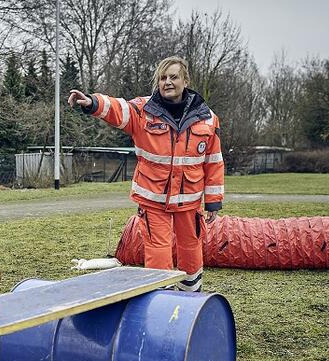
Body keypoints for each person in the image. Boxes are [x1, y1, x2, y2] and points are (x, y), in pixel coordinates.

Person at [68, 56, 224, 292]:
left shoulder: (208, 119)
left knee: (191, 248)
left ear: (185, 80)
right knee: (158, 251)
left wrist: (213, 202)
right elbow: (118, 109)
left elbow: (214, 162)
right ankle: (160, 303)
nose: (167, 82)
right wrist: (92, 102)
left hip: (189, 201)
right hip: (153, 199)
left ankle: (191, 300)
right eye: (163, 78)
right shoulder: (143, 111)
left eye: (173, 77)